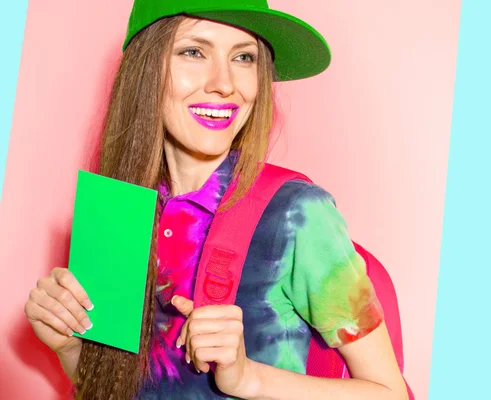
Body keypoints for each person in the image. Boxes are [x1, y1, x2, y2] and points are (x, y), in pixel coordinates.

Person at [24, 1, 409, 399]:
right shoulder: (117, 213)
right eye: (194, 52)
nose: (225, 83)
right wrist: (70, 347)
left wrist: (247, 378)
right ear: (145, 70)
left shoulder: (297, 214)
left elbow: (389, 393)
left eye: (243, 57)